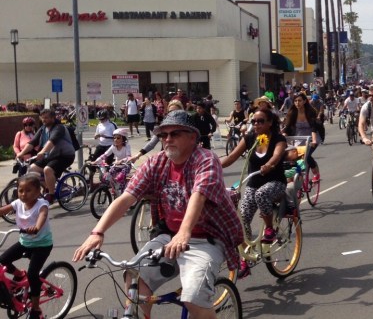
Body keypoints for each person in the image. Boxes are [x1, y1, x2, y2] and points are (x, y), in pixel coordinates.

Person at [72, 110, 244, 319]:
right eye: (163, 135)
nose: (167, 139)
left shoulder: (206, 160)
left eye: (175, 134)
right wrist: (97, 232)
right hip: (169, 236)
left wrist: (184, 233)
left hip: (206, 239)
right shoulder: (156, 163)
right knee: (133, 276)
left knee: (193, 297)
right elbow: (127, 197)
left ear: (193, 137)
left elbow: (199, 196)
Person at [220, 109, 287, 246]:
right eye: (254, 121)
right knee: (242, 217)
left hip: (275, 182)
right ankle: (246, 253)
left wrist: (269, 165)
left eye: (261, 121)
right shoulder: (249, 138)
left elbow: (277, 155)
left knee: (261, 194)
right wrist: (213, 166)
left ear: (269, 122)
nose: (256, 124)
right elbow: (232, 157)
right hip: (254, 183)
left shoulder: (278, 139)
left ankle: (269, 229)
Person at [0, 174, 52, 319]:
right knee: (2, 260)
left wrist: (36, 227)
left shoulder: (42, 204)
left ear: (38, 191)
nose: (23, 194)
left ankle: (35, 308)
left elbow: (42, 215)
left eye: (28, 190)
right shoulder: (17, 203)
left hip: (42, 245)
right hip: (25, 243)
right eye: (20, 190)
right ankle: (19, 274)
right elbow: (3, 210)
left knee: (33, 275)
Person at [14, 109, 75, 202]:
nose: (44, 120)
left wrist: (42, 152)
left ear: (53, 118)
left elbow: (52, 141)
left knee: (47, 169)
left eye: (46, 118)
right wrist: (20, 154)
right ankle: (46, 186)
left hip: (65, 156)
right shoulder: (43, 129)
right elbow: (33, 142)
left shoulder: (59, 128)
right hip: (51, 155)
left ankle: (51, 194)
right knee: (32, 168)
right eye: (42, 118)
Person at [282, 93, 322, 182]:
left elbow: (313, 128)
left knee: (306, 156)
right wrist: (283, 136)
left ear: (304, 101)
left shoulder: (310, 112)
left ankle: (316, 173)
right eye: (295, 101)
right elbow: (287, 128)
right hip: (298, 138)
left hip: (311, 137)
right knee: (293, 156)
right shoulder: (292, 113)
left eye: (299, 100)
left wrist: (314, 141)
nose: (297, 103)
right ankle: (294, 175)